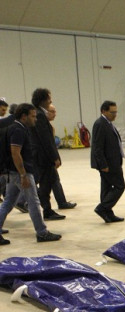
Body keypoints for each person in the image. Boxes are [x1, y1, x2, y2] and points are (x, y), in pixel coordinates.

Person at [0, 103, 62, 245]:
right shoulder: (18, 130)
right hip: (21, 173)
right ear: (24, 116)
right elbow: (15, 153)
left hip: (13, 173)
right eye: (33, 116)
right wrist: (23, 175)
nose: (35, 119)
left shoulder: (16, 128)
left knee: (8, 202)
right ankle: (42, 232)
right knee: (34, 202)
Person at [30, 88, 66, 221]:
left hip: (42, 156)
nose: (51, 100)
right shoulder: (39, 115)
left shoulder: (38, 113)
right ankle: (47, 210)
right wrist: (55, 157)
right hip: (43, 157)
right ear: (43, 100)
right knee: (45, 184)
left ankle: (47, 209)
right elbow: (46, 140)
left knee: (47, 183)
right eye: (49, 98)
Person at [91, 100, 125, 223]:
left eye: (116, 112)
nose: (115, 115)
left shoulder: (108, 123)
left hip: (112, 161)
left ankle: (108, 213)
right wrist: (103, 164)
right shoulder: (100, 124)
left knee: (106, 188)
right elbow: (97, 146)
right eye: (112, 112)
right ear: (103, 111)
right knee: (120, 186)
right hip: (108, 163)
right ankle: (102, 208)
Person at [46, 104, 76, 209]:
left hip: (49, 159)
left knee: (54, 180)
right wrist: (55, 158)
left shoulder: (49, 126)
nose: (55, 114)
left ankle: (62, 202)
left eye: (55, 111)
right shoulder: (43, 126)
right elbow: (48, 144)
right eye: (52, 111)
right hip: (44, 160)